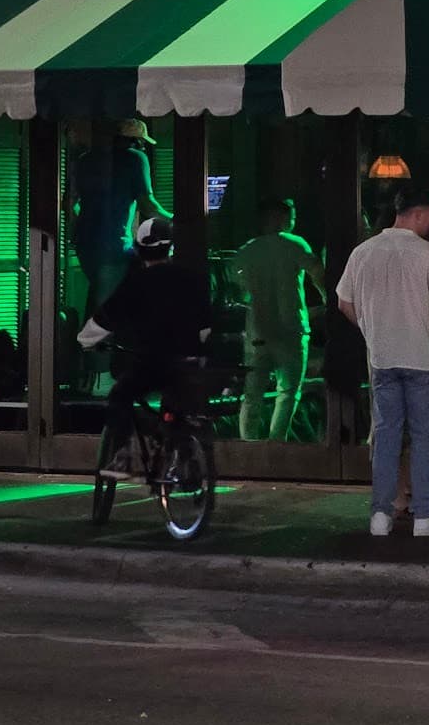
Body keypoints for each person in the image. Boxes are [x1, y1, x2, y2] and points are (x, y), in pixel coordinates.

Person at [337, 189, 429, 538]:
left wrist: (372, 327)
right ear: (419, 214)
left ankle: (381, 513)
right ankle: (423, 516)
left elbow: (344, 302)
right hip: (423, 358)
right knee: (424, 437)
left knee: (387, 435)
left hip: (382, 357)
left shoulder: (363, 252)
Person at [80, 216, 212, 480]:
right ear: (171, 247)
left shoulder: (137, 281)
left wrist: (84, 342)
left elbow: (107, 317)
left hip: (152, 362)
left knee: (120, 395)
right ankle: (182, 452)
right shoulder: (193, 279)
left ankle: (123, 457)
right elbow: (206, 327)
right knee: (178, 404)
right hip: (188, 361)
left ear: (140, 250)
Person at [233, 197, 327, 442]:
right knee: (288, 392)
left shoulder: (246, 250)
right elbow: (317, 272)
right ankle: (277, 444)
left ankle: (249, 445)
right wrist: (330, 302)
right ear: (283, 218)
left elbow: (240, 292)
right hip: (291, 328)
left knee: (252, 394)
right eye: (291, 216)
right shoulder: (295, 244)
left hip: (258, 331)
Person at [66, 119, 167, 340]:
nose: (142, 147)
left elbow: (72, 204)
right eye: (140, 142)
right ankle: (106, 360)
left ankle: (92, 361)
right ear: (134, 141)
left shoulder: (86, 160)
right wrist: (175, 221)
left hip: (86, 245)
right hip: (114, 244)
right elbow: (147, 204)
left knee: (102, 297)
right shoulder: (135, 158)